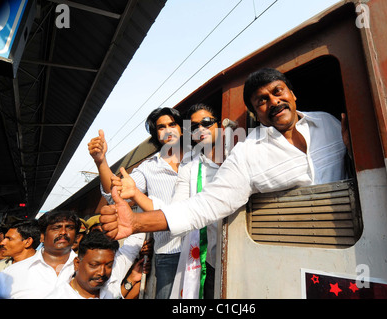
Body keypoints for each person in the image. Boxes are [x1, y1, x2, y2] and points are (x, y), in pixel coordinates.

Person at [100, 68, 350, 251]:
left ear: (292, 94)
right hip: (287, 251)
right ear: (256, 114)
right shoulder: (246, 154)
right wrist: (135, 221)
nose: (273, 101)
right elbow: (203, 206)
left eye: (278, 92)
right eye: (262, 100)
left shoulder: (330, 124)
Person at [88, 107, 185, 299]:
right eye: (161, 127)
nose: (168, 130)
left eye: (172, 124)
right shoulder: (149, 168)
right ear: (156, 134)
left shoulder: (198, 160)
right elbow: (115, 193)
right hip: (168, 250)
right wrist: (101, 161)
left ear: (181, 128)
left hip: (202, 246)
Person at [170, 103, 222, 299]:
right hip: (208, 260)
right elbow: (177, 212)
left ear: (219, 126)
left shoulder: (238, 156)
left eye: (207, 123)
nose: (201, 129)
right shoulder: (189, 169)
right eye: (194, 127)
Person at [0, 210, 80, 298]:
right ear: (42, 236)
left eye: (69, 227)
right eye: (56, 228)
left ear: (76, 236)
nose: (63, 232)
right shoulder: (12, 273)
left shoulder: (87, 268)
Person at [46, 230, 148, 299]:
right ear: (77, 263)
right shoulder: (60, 296)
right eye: (94, 265)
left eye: (108, 265)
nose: (102, 272)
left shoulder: (111, 278)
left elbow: (137, 238)